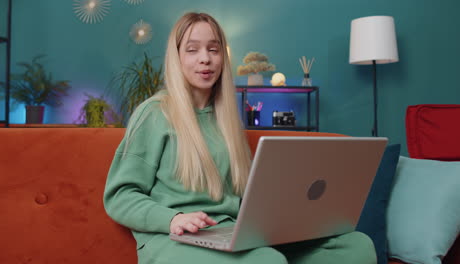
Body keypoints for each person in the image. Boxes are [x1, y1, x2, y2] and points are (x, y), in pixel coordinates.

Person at [103, 12, 377, 264]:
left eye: (213, 49)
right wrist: (172, 218)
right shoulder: (154, 113)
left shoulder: (228, 119)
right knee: (267, 261)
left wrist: (284, 219)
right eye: (192, 49)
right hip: (174, 237)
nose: (205, 59)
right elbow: (120, 195)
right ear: (176, 58)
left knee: (356, 246)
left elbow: (244, 195)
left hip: (230, 232)